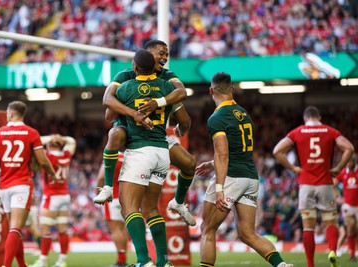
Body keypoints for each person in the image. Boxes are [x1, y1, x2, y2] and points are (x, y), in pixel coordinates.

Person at [195, 72, 294, 267]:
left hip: (231, 178)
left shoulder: (217, 118)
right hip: (250, 177)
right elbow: (237, 151)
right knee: (248, 234)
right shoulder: (244, 114)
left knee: (207, 229)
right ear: (232, 90)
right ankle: (282, 265)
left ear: (210, 91)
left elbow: (223, 155)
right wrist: (212, 164)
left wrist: (220, 188)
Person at [94, 39, 196, 227]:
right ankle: (108, 187)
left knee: (189, 164)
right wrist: (134, 112)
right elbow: (108, 108)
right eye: (161, 53)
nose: (165, 57)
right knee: (115, 134)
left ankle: (178, 203)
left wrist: (158, 102)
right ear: (148, 54)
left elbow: (182, 97)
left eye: (167, 54)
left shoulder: (166, 79)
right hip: (130, 135)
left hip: (156, 138)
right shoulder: (125, 77)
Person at [0, 101, 57, 267]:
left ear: (11, 114)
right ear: (22, 114)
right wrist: (52, 173)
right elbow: (42, 160)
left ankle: (22, 264)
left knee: (13, 228)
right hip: (22, 185)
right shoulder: (31, 133)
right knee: (16, 229)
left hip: (4, 187)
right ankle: (6, 265)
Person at [273, 106, 354, 267]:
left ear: (305, 118)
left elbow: (277, 151)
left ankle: (311, 264)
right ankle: (332, 250)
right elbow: (349, 148)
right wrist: (338, 168)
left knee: (308, 228)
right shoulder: (329, 131)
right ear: (319, 117)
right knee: (330, 222)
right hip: (325, 183)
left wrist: (293, 168)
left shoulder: (298, 132)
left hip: (306, 184)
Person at [116, 49, 175, 267]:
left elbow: (109, 114)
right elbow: (180, 95)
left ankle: (143, 260)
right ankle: (163, 261)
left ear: (134, 67)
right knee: (151, 209)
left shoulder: (126, 87)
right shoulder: (166, 86)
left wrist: (129, 111)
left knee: (129, 206)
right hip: (162, 150)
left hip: (140, 150)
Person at [30, 134, 77, 267]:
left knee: (45, 229)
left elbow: (37, 141)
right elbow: (72, 141)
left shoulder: (48, 156)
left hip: (51, 196)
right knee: (62, 229)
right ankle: (62, 261)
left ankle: (43, 261)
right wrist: (62, 138)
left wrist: (51, 137)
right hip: (64, 196)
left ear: (49, 145)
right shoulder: (65, 155)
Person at [96, 152, 129, 267]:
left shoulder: (111, 155)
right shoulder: (129, 156)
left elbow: (101, 177)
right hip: (127, 197)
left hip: (112, 196)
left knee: (115, 229)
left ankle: (121, 261)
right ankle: (124, 259)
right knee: (123, 228)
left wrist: (98, 193)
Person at [334, 154, 358, 261]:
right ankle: (352, 255)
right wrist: (338, 197)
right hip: (348, 206)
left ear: (354, 162)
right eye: (347, 162)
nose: (349, 164)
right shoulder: (343, 172)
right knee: (350, 230)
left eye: (350, 162)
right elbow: (333, 184)